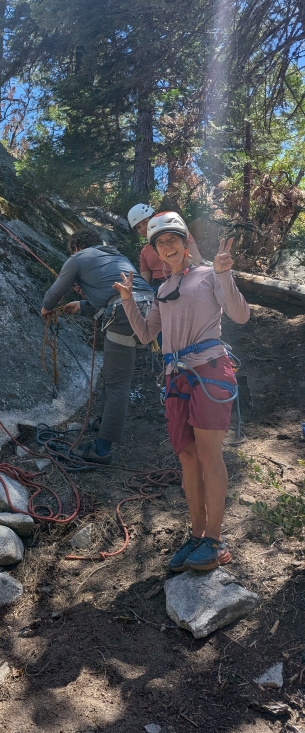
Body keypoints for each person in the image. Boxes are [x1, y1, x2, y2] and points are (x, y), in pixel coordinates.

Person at [114, 212, 250, 571]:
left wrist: (224, 273)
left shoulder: (208, 275)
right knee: (188, 457)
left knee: (208, 455)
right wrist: (129, 299)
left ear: (186, 241)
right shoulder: (162, 289)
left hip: (208, 370)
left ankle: (214, 539)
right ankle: (197, 534)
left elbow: (240, 316)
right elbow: (146, 335)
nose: (167, 246)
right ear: (156, 252)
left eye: (173, 239)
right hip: (176, 377)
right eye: (160, 243)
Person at [41, 227, 154, 465]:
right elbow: (108, 292)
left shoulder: (77, 258)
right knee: (115, 377)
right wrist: (81, 305)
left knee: (116, 383)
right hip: (148, 309)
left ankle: (102, 449)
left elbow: (56, 291)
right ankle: (104, 422)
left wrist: (45, 309)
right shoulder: (115, 257)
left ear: (76, 247)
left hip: (123, 313)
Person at [127, 204, 202, 289]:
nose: (143, 228)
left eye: (145, 222)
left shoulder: (179, 235)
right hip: (158, 287)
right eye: (138, 227)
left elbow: (196, 258)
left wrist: (185, 277)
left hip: (184, 277)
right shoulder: (144, 252)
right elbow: (145, 279)